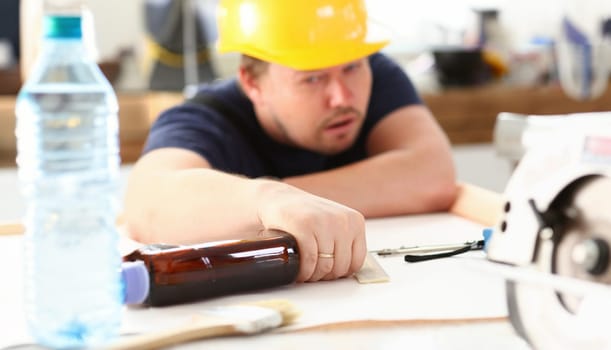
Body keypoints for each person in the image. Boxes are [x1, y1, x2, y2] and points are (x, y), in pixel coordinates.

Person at [124, 0, 457, 283]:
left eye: (353, 67)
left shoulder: (377, 72)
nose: (342, 97)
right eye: (312, 78)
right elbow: (147, 203)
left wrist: (294, 201)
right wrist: (268, 200)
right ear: (252, 83)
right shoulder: (204, 119)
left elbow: (433, 173)